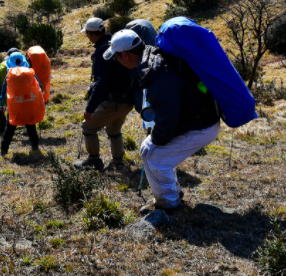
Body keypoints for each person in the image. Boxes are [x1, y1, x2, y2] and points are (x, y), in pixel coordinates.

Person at [104, 29, 221, 211]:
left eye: (116, 58)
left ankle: (168, 205)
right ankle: (173, 192)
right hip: (197, 118)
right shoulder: (152, 57)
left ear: (125, 55)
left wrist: (157, 140)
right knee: (147, 149)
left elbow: (168, 117)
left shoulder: (158, 74)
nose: (116, 62)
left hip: (202, 125)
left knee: (155, 157)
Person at [74, 17, 134, 172]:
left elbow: (102, 83)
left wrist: (90, 108)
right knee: (114, 129)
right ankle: (117, 162)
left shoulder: (102, 51)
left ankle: (94, 161)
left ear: (91, 34)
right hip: (128, 99)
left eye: (87, 34)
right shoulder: (115, 45)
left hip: (115, 101)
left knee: (88, 127)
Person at [0, 52, 44, 156]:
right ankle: (35, 148)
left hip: (15, 107)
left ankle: (3, 151)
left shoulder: (9, 76)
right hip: (30, 105)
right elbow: (40, 88)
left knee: (10, 128)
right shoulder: (30, 73)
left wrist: (1, 103)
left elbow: (4, 93)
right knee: (31, 127)